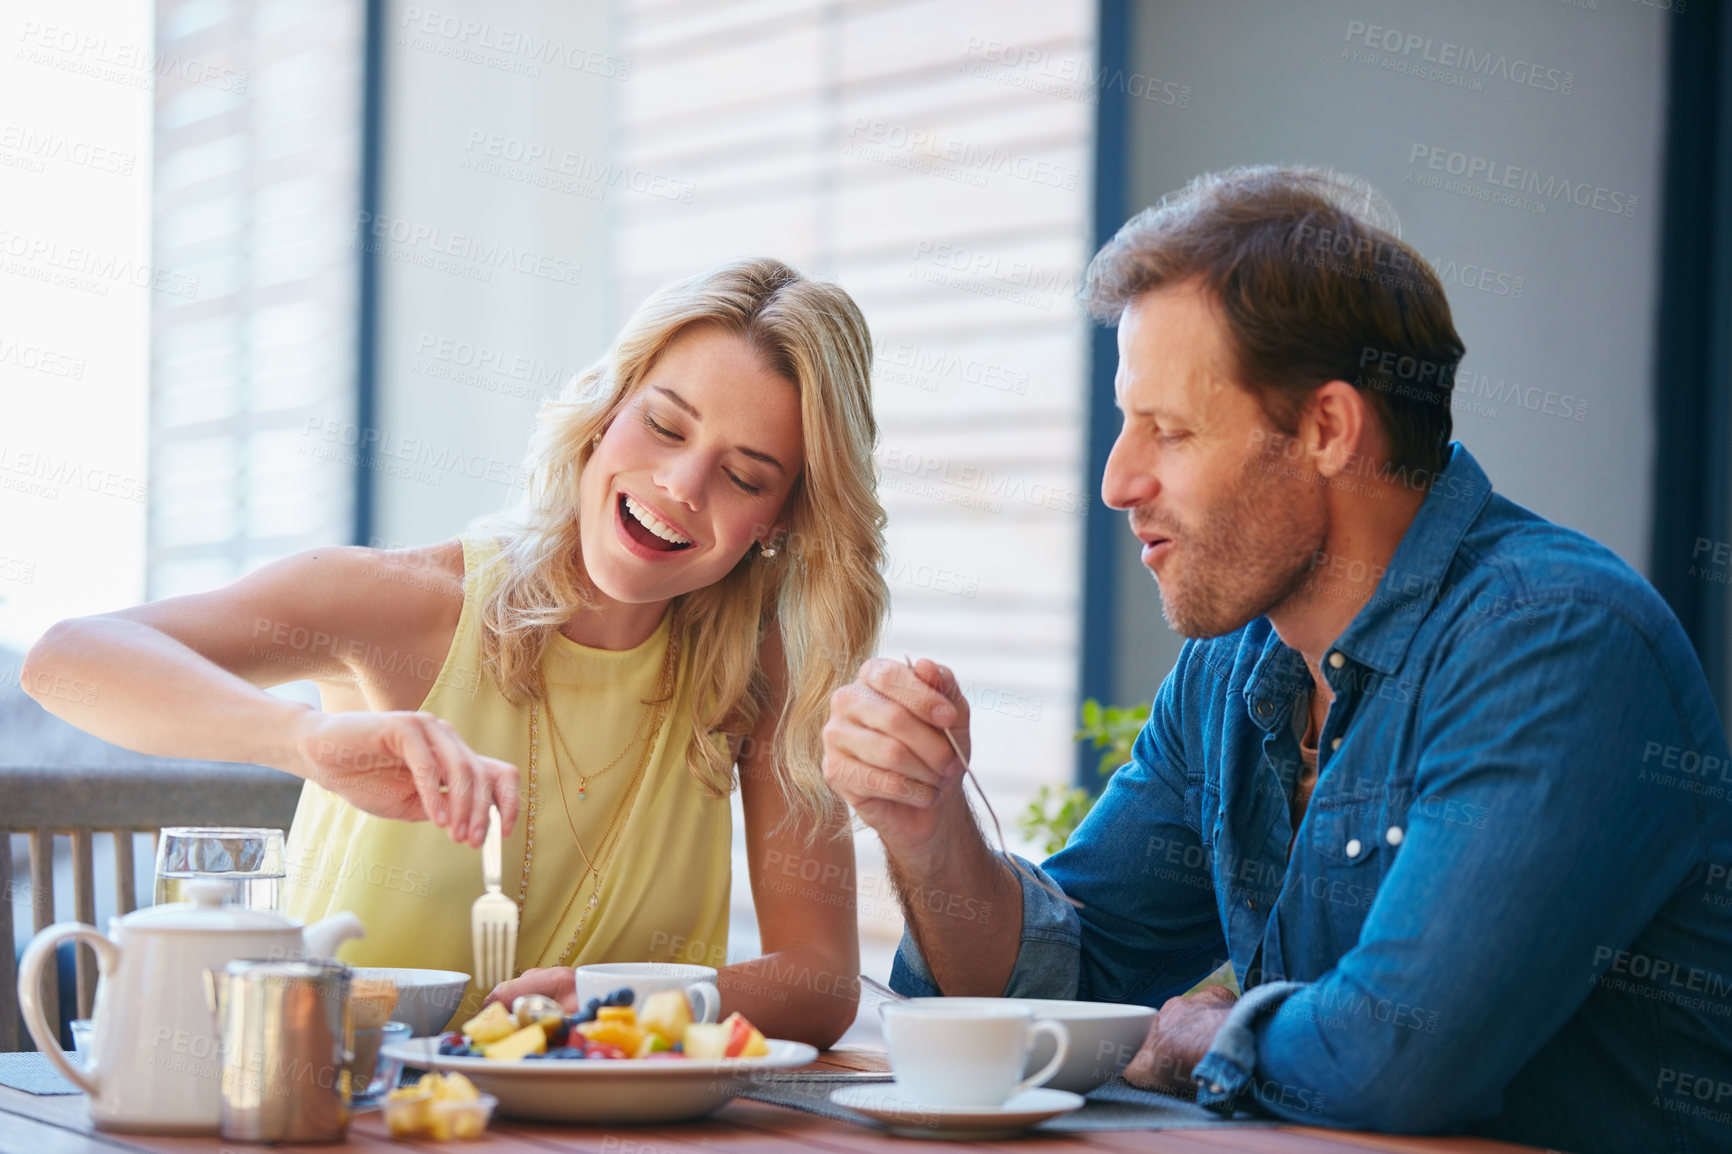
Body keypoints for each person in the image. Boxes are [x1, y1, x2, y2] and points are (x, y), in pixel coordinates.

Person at [821, 167, 1732, 1151]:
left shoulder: (1555, 641)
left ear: (1327, 429)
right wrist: (927, 825)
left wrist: (1194, 1040)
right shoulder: (1237, 664)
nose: (1117, 480)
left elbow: (1398, 1060)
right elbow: (1056, 989)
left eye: (1166, 430)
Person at [24, 257, 886, 1047]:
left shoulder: (757, 671)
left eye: (744, 476)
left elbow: (817, 981)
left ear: (780, 520)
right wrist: (302, 743)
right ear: (603, 414)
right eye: (664, 426)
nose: (682, 486)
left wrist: (609, 996)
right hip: (341, 1122)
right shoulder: (407, 605)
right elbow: (67, 659)